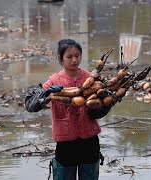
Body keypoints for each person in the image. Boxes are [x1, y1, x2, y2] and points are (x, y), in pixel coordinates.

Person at [25, 39, 111, 180]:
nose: (74, 60)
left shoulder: (90, 79)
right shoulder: (53, 81)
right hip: (65, 144)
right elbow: (30, 105)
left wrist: (106, 104)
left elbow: (96, 114)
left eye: (77, 55)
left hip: (89, 142)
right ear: (60, 58)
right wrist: (45, 95)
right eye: (69, 57)